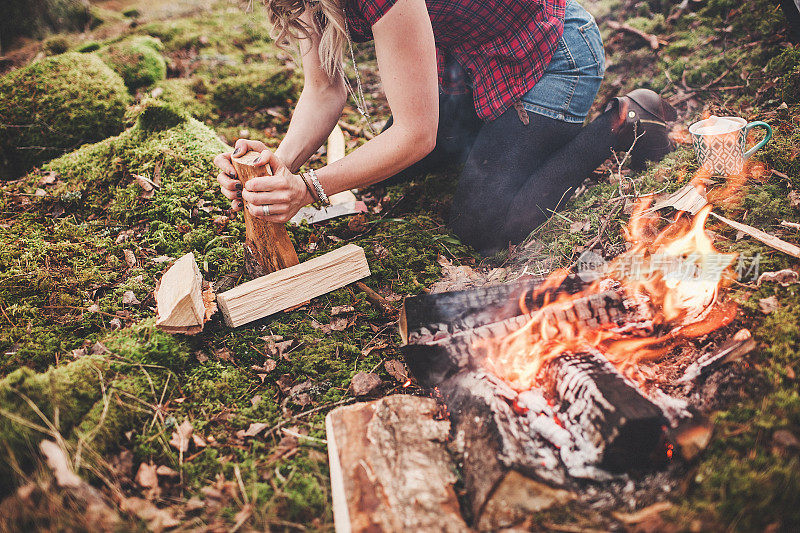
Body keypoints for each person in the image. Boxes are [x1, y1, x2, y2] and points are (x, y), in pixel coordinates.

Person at [214, 0, 676, 255]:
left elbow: (416, 134)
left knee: (483, 228)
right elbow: (323, 92)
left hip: (549, 57)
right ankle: (502, 141)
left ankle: (621, 122)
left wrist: (309, 187)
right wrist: (278, 169)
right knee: (389, 169)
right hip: (473, 71)